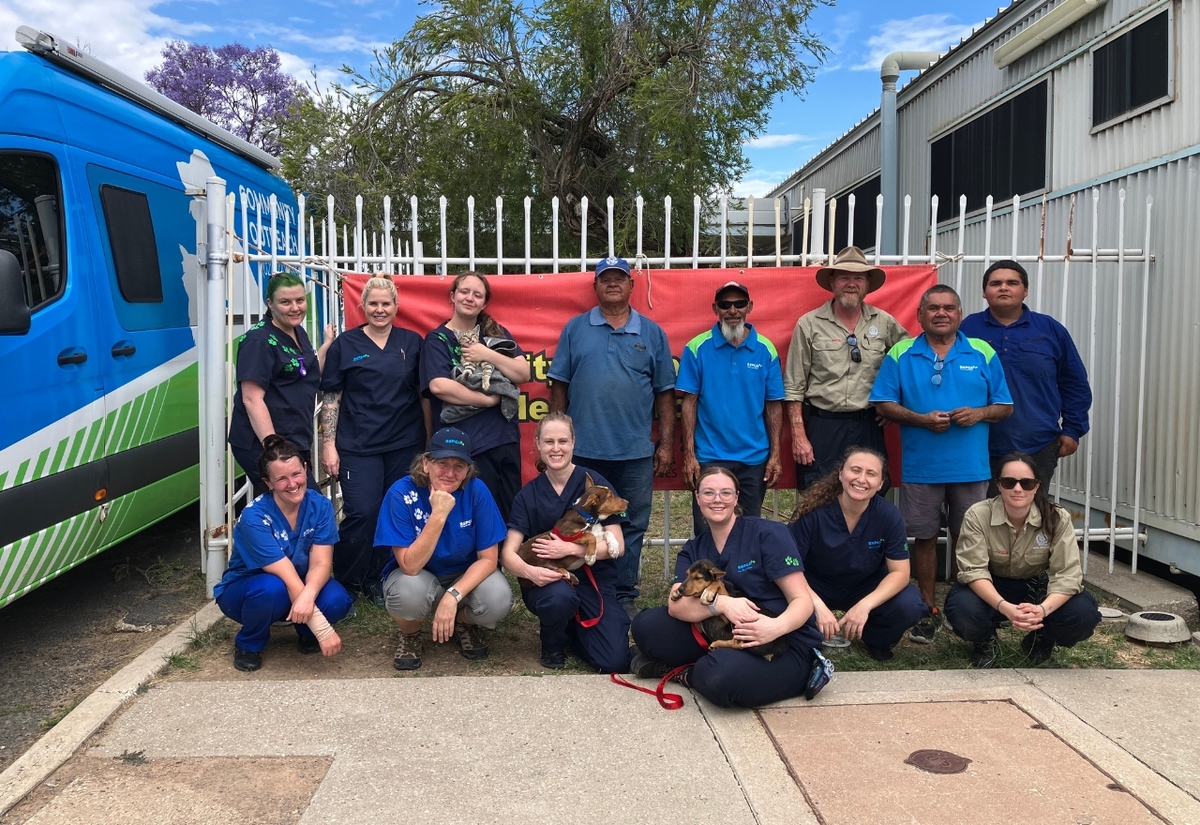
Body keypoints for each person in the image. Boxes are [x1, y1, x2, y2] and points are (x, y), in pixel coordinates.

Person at [870, 284, 1013, 643]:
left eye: (949, 307)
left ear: (959, 314)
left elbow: (1005, 406)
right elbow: (882, 403)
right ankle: (927, 609)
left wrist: (979, 413)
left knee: (971, 541)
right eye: (932, 308)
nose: (941, 313)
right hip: (922, 467)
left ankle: (966, 610)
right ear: (919, 315)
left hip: (971, 466)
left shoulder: (981, 351)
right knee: (924, 538)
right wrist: (920, 419)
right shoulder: (902, 353)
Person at [629, 467, 824, 708]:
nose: (717, 499)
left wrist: (774, 627)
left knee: (719, 677)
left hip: (781, 641)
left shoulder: (769, 534)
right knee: (646, 626)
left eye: (725, 492)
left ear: (736, 498)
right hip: (722, 631)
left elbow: (802, 601)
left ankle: (687, 673)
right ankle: (711, 664)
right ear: (697, 498)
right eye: (708, 492)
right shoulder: (694, 548)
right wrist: (721, 604)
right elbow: (675, 605)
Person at [549, 256, 676, 617]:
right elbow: (559, 385)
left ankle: (624, 593)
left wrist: (666, 444)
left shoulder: (652, 333)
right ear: (596, 287)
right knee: (579, 521)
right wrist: (558, 437)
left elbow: (665, 393)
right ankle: (585, 588)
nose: (613, 284)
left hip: (635, 452)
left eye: (620, 278)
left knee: (631, 524)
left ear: (632, 285)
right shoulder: (575, 329)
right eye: (605, 279)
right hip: (584, 451)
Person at [319, 276, 432, 598]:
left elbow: (424, 397)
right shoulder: (346, 345)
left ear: (396, 307)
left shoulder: (412, 343)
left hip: (404, 443)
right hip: (358, 445)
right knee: (363, 512)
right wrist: (329, 445)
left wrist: (427, 442)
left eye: (386, 304)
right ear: (362, 306)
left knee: (396, 512)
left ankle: (382, 579)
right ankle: (347, 583)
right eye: (373, 304)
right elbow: (332, 397)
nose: (379, 310)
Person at [500, 412, 631, 672]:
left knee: (613, 661)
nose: (556, 448)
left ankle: (574, 632)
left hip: (594, 577)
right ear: (537, 443)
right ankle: (552, 643)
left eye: (563, 441)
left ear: (573, 442)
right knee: (558, 598)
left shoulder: (595, 484)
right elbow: (508, 554)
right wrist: (531, 572)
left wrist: (572, 548)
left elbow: (618, 544)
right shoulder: (528, 496)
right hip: (549, 581)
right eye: (549, 442)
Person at [374, 427, 513, 670]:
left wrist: (453, 595)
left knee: (498, 598)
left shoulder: (476, 490)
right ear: (426, 463)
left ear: (468, 469)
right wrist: (438, 514)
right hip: (417, 576)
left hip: (463, 578)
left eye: (459, 465)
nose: (450, 472)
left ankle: (463, 622)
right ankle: (411, 634)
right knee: (408, 593)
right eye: (442, 463)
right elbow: (409, 565)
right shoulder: (401, 492)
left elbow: (489, 559)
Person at [945, 452, 1101, 667]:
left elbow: (1067, 574)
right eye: (1009, 482)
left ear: (1036, 486)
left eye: (1026, 483)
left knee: (1083, 613)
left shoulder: (1056, 517)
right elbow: (974, 571)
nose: (1017, 489)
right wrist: (1005, 608)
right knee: (962, 607)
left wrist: (1043, 610)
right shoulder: (977, 515)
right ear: (998, 485)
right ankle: (985, 642)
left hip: (1036, 586)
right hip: (992, 583)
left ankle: (1041, 642)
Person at [213, 435, 354, 672]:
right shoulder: (254, 517)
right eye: (281, 479)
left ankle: (305, 630)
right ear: (268, 483)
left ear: (306, 469)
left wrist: (308, 601)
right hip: (249, 591)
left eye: (296, 474)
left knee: (338, 599)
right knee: (272, 588)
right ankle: (250, 643)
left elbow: (321, 563)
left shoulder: (319, 505)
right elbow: (286, 574)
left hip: (297, 584)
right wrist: (323, 628)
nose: (292, 484)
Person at [784, 245, 908, 491]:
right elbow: (794, 385)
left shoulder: (884, 322)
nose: (851, 283)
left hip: (868, 426)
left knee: (869, 493)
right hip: (823, 427)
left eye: (858, 278)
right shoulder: (809, 324)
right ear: (833, 282)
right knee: (818, 495)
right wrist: (799, 435)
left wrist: (893, 402)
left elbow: (910, 363)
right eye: (844, 277)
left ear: (867, 283)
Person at [960, 260, 1092, 490]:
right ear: (984, 292)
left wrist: (1073, 429)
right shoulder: (966, 330)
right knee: (981, 518)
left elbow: (1074, 383)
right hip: (977, 444)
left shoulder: (1050, 329)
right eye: (995, 283)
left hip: (1038, 444)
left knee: (1032, 516)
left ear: (1025, 290)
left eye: (1012, 283)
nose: (1003, 288)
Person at [788, 447, 928, 662]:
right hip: (816, 584)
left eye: (871, 474)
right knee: (779, 597)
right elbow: (789, 569)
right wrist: (816, 606)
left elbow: (900, 572)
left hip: (864, 585)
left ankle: (876, 639)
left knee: (910, 603)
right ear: (841, 474)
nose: (861, 479)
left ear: (881, 484)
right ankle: (808, 638)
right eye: (855, 470)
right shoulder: (812, 511)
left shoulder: (889, 515)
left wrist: (865, 605)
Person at [421, 272, 531, 523]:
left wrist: (485, 353)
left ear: (484, 303)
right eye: (464, 292)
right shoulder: (438, 339)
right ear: (453, 296)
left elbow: (523, 372)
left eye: (477, 295)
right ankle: (482, 563)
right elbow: (439, 386)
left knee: (509, 515)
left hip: (504, 439)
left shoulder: (497, 334)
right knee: (475, 518)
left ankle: (506, 563)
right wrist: (490, 401)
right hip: (465, 447)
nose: (470, 298)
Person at [678, 281, 784, 533]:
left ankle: (742, 575)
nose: (733, 310)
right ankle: (707, 574)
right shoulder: (696, 348)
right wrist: (690, 456)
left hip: (754, 459)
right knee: (706, 530)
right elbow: (688, 403)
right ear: (715, 309)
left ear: (750, 307)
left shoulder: (766, 349)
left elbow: (774, 406)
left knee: (748, 530)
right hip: (710, 457)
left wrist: (776, 455)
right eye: (725, 305)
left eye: (739, 304)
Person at [228, 272, 334, 496]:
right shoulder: (258, 341)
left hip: (294, 438)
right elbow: (251, 398)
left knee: (290, 507)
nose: (295, 308)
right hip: (266, 442)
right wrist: (274, 449)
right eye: (285, 302)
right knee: (303, 502)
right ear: (270, 303)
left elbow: (308, 369)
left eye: (300, 300)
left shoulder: (297, 331)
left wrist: (327, 346)